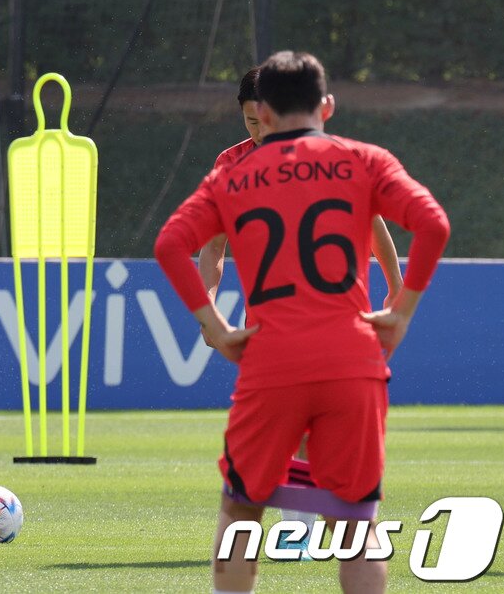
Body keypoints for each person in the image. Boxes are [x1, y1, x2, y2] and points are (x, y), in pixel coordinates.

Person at [154, 51, 450, 594]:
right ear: (327, 107)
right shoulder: (364, 160)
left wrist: (214, 325)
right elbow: (433, 223)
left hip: (270, 359)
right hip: (352, 358)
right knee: (357, 525)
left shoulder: (233, 174)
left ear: (263, 113)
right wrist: (402, 309)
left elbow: (171, 243)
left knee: (241, 512)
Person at [195, 66, 407, 557]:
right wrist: (208, 305)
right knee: (288, 428)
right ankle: (305, 531)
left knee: (320, 427)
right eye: (250, 122)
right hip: (272, 319)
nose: (259, 130)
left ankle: (314, 530)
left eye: (264, 119)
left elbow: (372, 222)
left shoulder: (327, 157)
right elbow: (213, 246)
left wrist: (395, 285)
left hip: (338, 314)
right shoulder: (231, 164)